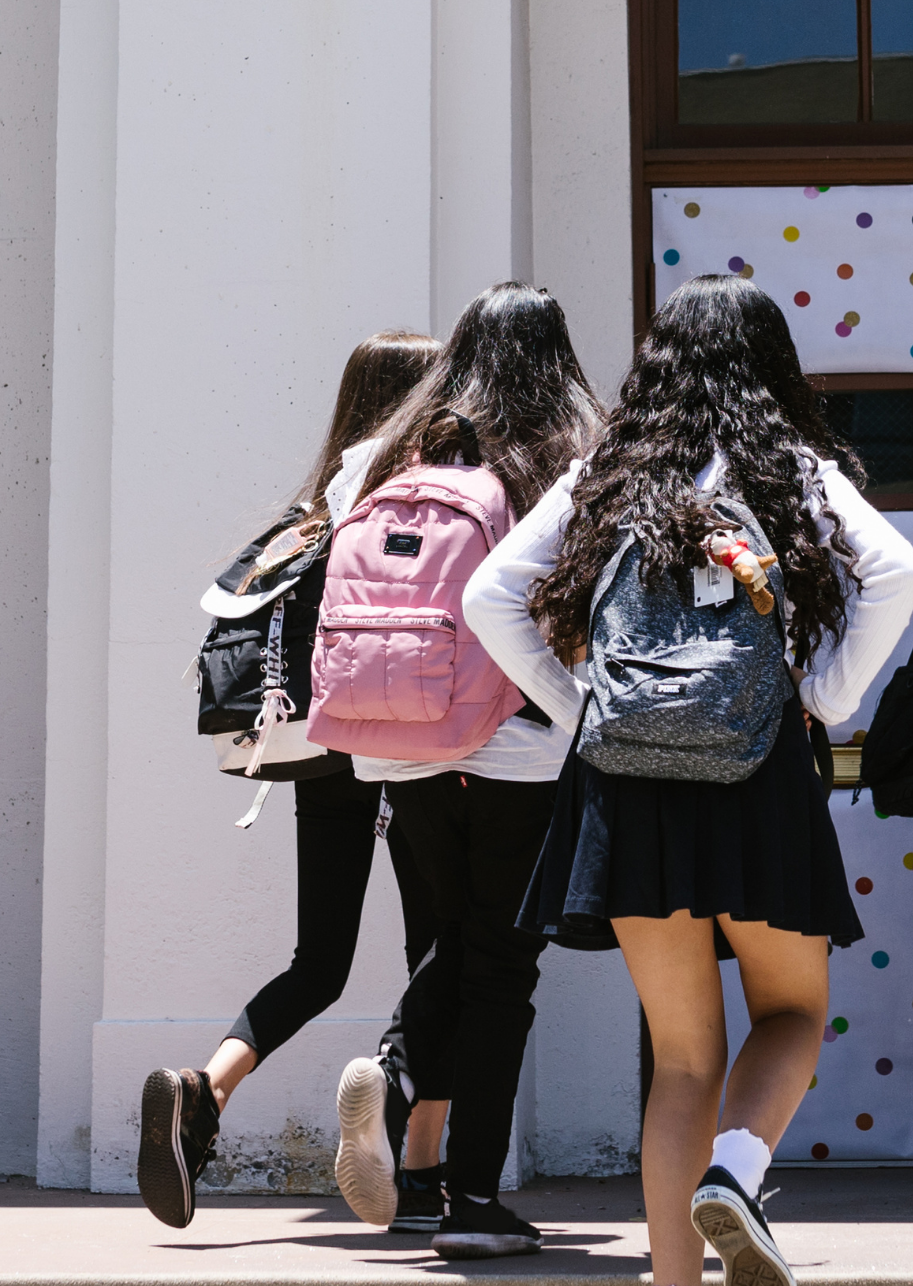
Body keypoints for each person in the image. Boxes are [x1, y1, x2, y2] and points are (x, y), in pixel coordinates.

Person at [468, 274, 913, 1286]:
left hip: (627, 775)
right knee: (793, 1013)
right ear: (771, 365)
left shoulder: (609, 467)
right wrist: (825, 693)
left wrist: (575, 697)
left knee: (680, 1059)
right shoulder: (790, 464)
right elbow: (895, 569)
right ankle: (736, 1170)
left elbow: (489, 590)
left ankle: (676, 1275)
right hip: (757, 767)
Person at [326, 283, 608, 1258]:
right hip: (520, 745)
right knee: (499, 967)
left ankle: (396, 1079)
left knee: (450, 935)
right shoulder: (568, 459)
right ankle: (474, 1199)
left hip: (398, 743)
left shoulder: (374, 460)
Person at [138, 329, 442, 1231]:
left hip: (322, 747)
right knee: (444, 948)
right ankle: (416, 1157)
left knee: (320, 962)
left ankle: (206, 1087)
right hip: (415, 743)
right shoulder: (424, 494)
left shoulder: (319, 504)